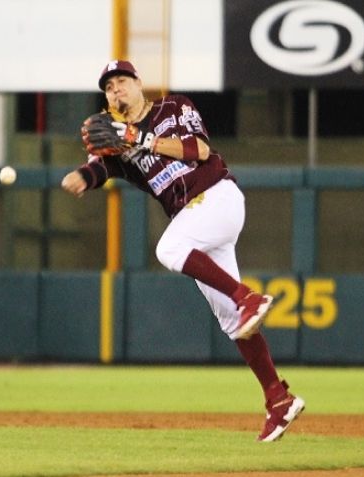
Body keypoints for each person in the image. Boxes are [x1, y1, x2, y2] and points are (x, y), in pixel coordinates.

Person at [61, 60, 305, 441]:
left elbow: (200, 150)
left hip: (218, 198)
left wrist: (138, 138)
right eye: (109, 87)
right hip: (197, 225)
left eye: (122, 81)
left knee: (169, 248)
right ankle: (278, 398)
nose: (116, 90)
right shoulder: (116, 139)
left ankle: (247, 296)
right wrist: (82, 176)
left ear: (139, 83)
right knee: (233, 323)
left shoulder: (173, 108)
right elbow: (100, 168)